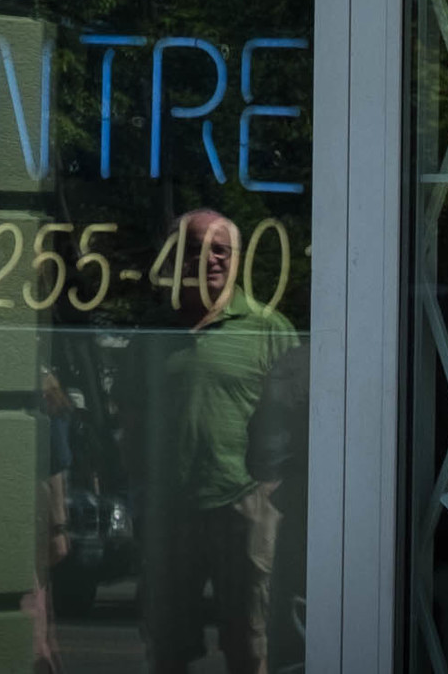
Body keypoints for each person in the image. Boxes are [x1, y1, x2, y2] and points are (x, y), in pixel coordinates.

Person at [135, 209, 295, 674]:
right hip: (169, 511)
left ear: (237, 258)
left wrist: (272, 496)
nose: (209, 258)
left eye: (219, 248)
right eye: (194, 247)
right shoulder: (151, 332)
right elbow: (129, 416)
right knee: (166, 647)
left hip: (245, 504)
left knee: (249, 642)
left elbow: (300, 423)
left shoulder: (270, 328)